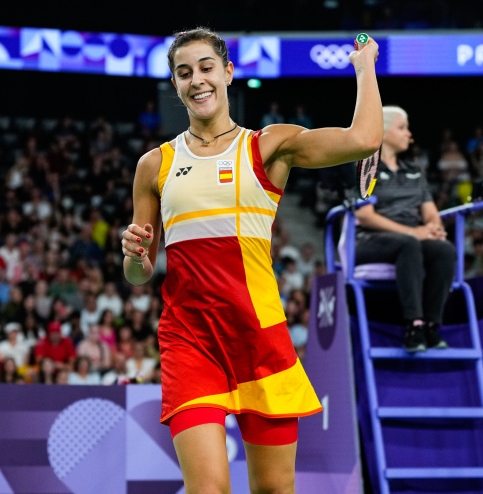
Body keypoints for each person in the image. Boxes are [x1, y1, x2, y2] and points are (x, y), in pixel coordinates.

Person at [120, 28, 381, 493]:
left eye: (205, 68)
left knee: (275, 490)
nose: (196, 80)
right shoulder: (154, 165)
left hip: (259, 336)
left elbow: (363, 139)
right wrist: (136, 256)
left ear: (227, 73)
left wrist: (365, 70)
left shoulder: (267, 146)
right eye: (184, 73)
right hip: (190, 338)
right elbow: (139, 275)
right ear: (175, 85)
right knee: (209, 489)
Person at [355, 106, 455, 352]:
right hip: (371, 241)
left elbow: (430, 212)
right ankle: (414, 325)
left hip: (412, 239)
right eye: (402, 128)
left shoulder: (414, 171)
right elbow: (364, 215)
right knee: (409, 244)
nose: (409, 134)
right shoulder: (368, 166)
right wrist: (412, 233)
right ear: (384, 131)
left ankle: (431, 325)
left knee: (444, 251)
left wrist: (434, 228)